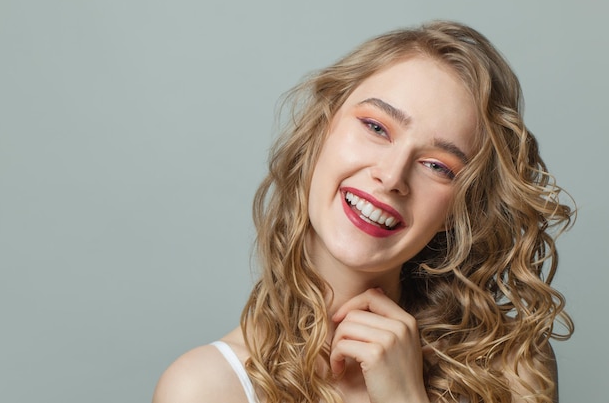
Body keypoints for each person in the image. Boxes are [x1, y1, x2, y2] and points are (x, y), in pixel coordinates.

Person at [152, 20, 574, 403]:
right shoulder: (205, 388)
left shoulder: (513, 367)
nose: (392, 176)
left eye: (438, 166)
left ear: (458, 209)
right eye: (376, 127)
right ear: (320, 132)